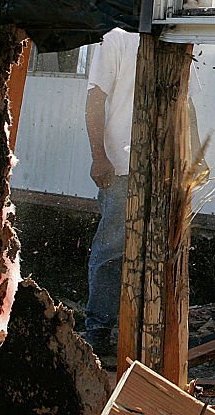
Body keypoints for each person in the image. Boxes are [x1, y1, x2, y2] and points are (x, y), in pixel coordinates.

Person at [83, 27, 139, 357]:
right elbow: (95, 99)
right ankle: (99, 328)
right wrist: (98, 156)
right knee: (111, 248)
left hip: (159, 167)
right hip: (120, 166)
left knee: (151, 248)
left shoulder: (174, 35)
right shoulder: (116, 37)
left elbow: (185, 102)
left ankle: (139, 328)